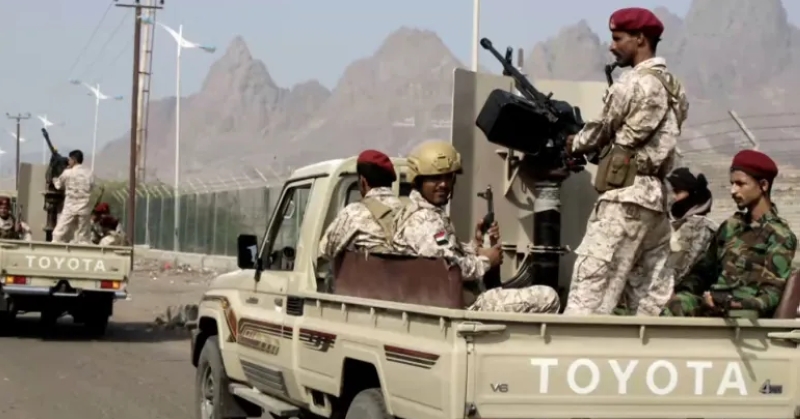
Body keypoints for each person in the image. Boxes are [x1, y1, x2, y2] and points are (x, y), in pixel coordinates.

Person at [563, 7, 689, 315]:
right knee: (648, 297)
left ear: (640, 39)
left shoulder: (632, 84)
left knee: (592, 288)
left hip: (624, 198)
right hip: (655, 201)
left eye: (618, 38)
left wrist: (574, 143)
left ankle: (575, 343)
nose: (611, 46)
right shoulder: (675, 89)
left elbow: (600, 130)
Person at [392, 140, 560, 313]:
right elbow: (449, 269)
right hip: (460, 306)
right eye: (435, 178)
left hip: (454, 299)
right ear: (418, 181)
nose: (443, 184)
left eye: (448, 177)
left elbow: (445, 252)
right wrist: (486, 261)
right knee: (548, 297)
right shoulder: (423, 222)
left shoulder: (426, 215)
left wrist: (476, 246)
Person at [662, 150, 797, 318]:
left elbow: (770, 296)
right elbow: (703, 272)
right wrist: (681, 291)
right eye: (732, 184)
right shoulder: (730, 227)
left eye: (740, 184)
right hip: (714, 306)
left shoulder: (780, 235)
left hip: (743, 316)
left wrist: (732, 304)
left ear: (763, 185)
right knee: (678, 304)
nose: (733, 191)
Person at [614, 168, 716, 315]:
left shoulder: (701, 228)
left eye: (677, 191)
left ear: (695, 195)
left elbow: (676, 274)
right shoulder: (667, 223)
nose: (671, 196)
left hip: (667, 305)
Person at [319, 150, 403, 260]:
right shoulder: (408, 213)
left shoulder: (353, 213)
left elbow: (326, 250)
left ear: (363, 181)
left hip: (366, 271)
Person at [52, 150, 95, 244]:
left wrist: (55, 179)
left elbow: (58, 185)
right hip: (84, 207)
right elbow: (91, 187)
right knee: (83, 237)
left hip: (70, 206)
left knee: (58, 234)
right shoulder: (89, 173)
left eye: (70, 159)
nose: (68, 162)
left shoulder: (68, 173)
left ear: (74, 160)